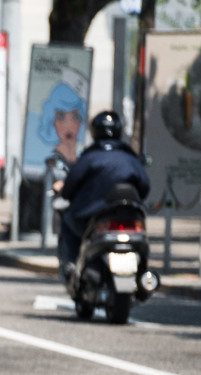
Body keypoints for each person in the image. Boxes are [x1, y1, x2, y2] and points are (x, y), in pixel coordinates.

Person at [54, 111, 151, 284]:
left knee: (67, 220)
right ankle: (143, 273)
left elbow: (69, 189)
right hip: (130, 217)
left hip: (92, 218)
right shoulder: (130, 158)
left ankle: (71, 265)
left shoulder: (89, 157)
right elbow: (144, 187)